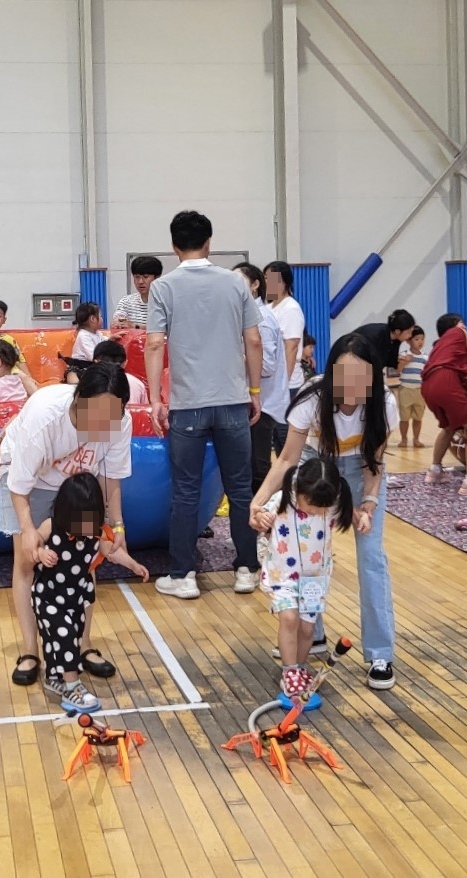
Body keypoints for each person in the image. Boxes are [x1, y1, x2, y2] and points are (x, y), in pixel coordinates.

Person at [251, 333, 401, 690]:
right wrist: (257, 502)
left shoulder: (385, 403)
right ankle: (311, 632)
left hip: (360, 469)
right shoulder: (312, 399)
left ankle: (380, 652)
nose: (352, 386)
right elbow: (287, 458)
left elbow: (375, 460)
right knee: (305, 550)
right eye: (345, 376)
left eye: (362, 377)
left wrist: (368, 503)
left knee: (372, 557)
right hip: (315, 467)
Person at [146, 210, 264, 599]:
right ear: (210, 242)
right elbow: (253, 342)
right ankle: (247, 569)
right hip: (232, 402)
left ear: (173, 246)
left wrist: (154, 398)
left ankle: (184, 575)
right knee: (241, 489)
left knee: (185, 491)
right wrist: (254, 392)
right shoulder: (235, 283)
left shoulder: (164, 287)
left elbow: (153, 343)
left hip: (188, 405)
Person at [0, 364, 132, 689]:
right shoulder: (45, 416)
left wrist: (117, 527)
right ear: (79, 399)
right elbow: (19, 485)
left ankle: (82, 645)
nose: (105, 425)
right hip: (30, 478)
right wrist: (30, 530)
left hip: (75, 482)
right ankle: (31, 651)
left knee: (85, 557)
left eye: (113, 416)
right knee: (27, 560)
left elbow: (110, 477)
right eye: (99, 415)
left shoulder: (119, 421)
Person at [30, 472, 148, 712]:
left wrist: (133, 565)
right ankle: (73, 686)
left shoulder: (95, 533)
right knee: (62, 635)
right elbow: (34, 543)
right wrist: (41, 554)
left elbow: (113, 552)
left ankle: (55, 678)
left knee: (67, 638)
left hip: (76, 597)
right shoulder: (51, 526)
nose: (82, 526)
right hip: (48, 596)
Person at [253, 457, 352, 697]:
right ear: (300, 490)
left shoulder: (332, 502)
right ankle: (289, 671)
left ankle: (298, 667)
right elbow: (258, 518)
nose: (316, 511)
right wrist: (260, 518)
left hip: (315, 579)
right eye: (311, 505)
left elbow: (353, 513)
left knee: (307, 629)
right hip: (283, 574)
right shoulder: (283, 499)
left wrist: (364, 514)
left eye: (321, 508)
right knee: (289, 619)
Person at [421, 313, 467, 497]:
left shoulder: (441, 347)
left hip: (428, 385)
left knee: (449, 427)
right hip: (446, 381)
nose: (466, 329)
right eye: (463, 325)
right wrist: (463, 331)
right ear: (454, 326)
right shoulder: (457, 333)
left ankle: (435, 471)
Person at [235, 261, 289, 493]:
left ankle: (266, 516)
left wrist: (235, 357)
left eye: (240, 282)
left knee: (258, 465)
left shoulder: (262, 319)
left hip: (263, 403)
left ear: (256, 284)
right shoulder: (247, 315)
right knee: (249, 463)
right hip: (253, 399)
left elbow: (265, 366)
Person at [264, 261, 307, 452]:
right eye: (264, 278)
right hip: (273, 382)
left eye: (269, 279)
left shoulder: (291, 308)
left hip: (287, 383)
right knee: (274, 435)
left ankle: (290, 478)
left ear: (282, 282)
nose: (266, 283)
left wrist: (283, 383)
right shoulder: (271, 307)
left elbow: (291, 347)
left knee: (284, 434)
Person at [91, 339, 149, 405]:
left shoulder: (86, 381)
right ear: (125, 363)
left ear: (96, 362)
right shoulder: (137, 384)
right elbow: (145, 410)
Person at [397, 327, 428, 448]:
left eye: (422, 339)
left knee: (418, 417)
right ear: (408, 341)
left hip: (420, 390)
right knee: (404, 418)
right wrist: (404, 362)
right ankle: (404, 439)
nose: (420, 342)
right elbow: (398, 370)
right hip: (405, 389)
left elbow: (427, 373)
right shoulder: (403, 355)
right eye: (416, 339)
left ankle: (416, 439)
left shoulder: (425, 358)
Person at [113, 255, 161, 329]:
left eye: (145, 277)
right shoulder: (126, 302)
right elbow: (118, 321)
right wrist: (118, 323)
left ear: (157, 278)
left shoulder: (166, 302)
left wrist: (136, 327)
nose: (140, 282)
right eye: (137, 277)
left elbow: (168, 328)